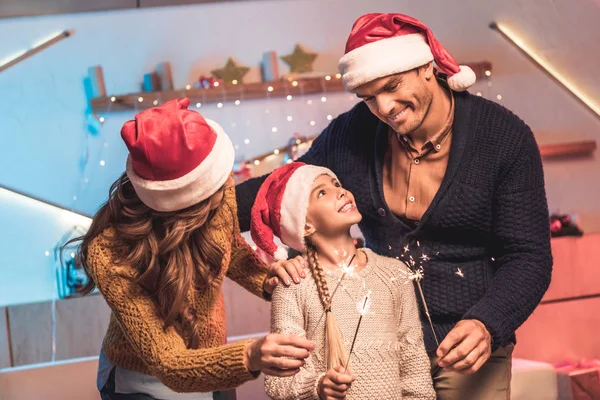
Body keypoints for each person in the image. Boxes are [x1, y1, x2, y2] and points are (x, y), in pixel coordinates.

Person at [236, 13, 553, 400]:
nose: (384, 107)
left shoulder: (504, 138)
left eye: (391, 86)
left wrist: (489, 322)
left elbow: (529, 256)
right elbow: (284, 184)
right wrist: (182, 204)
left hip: (465, 345)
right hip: (376, 340)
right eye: (368, 97)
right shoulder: (353, 132)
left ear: (426, 67)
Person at [71, 98, 313, 400]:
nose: (228, 187)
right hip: (142, 381)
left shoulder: (217, 192)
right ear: (186, 207)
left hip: (213, 360)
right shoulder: (108, 251)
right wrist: (250, 355)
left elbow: (229, 250)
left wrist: (268, 280)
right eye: (219, 186)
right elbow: (168, 362)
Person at [250, 162, 435, 399]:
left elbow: (415, 366)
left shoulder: (394, 274)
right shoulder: (294, 285)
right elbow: (278, 383)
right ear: (305, 225)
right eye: (322, 192)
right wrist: (317, 387)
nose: (341, 191)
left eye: (337, 184)